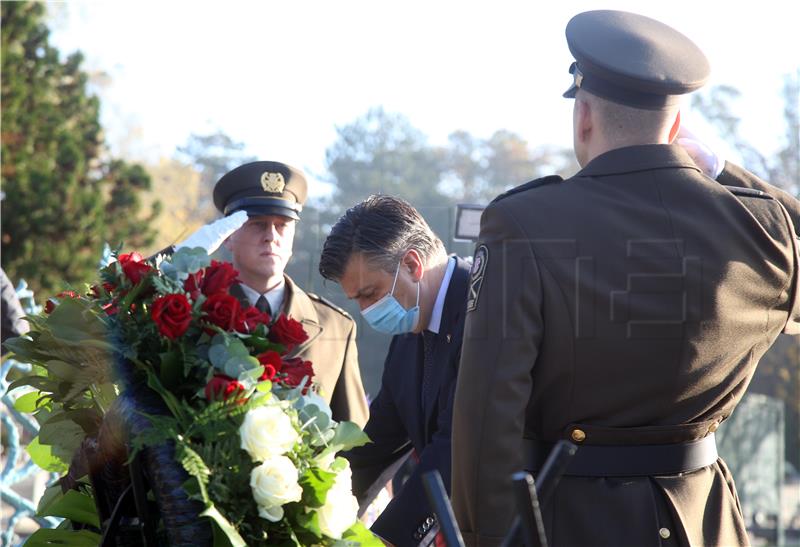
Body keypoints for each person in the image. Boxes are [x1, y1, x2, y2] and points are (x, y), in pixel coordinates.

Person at [451, 9, 800, 547]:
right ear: (679, 126)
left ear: (584, 115)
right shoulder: (763, 230)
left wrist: (484, 537)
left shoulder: (523, 225)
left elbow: (487, 411)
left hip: (571, 521)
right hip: (706, 522)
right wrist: (726, 172)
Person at [319, 195, 470, 547]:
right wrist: (313, 510)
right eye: (356, 299)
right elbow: (378, 443)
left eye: (371, 294)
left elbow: (456, 446)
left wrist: (384, 539)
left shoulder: (485, 310)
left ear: (413, 264)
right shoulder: (410, 332)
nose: (367, 312)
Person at [213, 161, 369, 427]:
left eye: (283, 225)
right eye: (257, 224)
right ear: (228, 235)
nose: (271, 236)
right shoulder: (193, 314)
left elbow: (351, 436)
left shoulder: (336, 327)